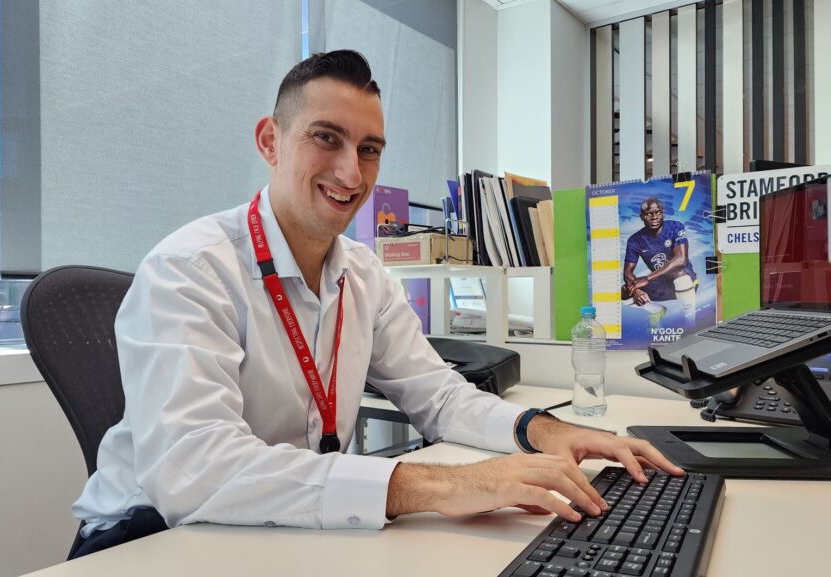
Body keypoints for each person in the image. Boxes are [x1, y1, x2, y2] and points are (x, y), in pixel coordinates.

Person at [69, 50, 683, 558]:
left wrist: (543, 431)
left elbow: (439, 397)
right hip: (147, 536)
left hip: (273, 522)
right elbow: (194, 471)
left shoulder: (363, 273)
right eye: (326, 138)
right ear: (270, 140)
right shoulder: (191, 268)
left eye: (369, 149)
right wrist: (445, 485)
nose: (351, 172)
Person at [623, 198, 699, 327]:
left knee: (679, 273)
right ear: (642, 217)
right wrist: (635, 290)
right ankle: (657, 310)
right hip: (661, 284)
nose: (654, 217)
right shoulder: (635, 240)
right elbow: (627, 271)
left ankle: (691, 324)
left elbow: (681, 260)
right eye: (649, 214)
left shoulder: (675, 227)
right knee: (624, 291)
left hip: (686, 280)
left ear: (662, 213)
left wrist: (648, 278)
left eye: (658, 212)